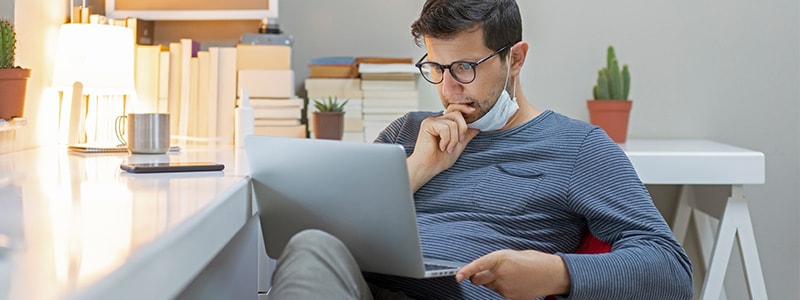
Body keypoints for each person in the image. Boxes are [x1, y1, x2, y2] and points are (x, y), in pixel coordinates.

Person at [268, 0, 693, 299]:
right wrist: (417, 168)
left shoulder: (577, 147)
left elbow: (671, 270)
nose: (449, 87)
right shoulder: (408, 133)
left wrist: (555, 274)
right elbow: (331, 234)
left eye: (465, 68)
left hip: (456, 296)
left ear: (516, 58)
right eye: (436, 67)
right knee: (311, 247)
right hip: (362, 289)